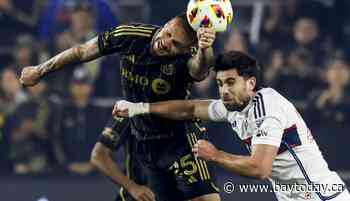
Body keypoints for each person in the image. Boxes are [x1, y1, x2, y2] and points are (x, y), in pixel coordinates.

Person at [20, 14, 220, 201]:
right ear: (166, 24)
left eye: (175, 44)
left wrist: (205, 48)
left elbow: (200, 71)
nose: (166, 43)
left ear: (187, 49)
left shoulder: (191, 54)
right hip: (143, 136)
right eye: (168, 34)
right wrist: (39, 70)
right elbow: (82, 51)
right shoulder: (130, 36)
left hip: (180, 137)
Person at [113, 51, 350, 201]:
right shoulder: (233, 106)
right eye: (219, 84)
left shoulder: (268, 107)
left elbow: (260, 168)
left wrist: (215, 155)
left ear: (250, 83)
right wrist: (140, 107)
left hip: (323, 196)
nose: (224, 90)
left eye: (230, 82)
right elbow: (191, 108)